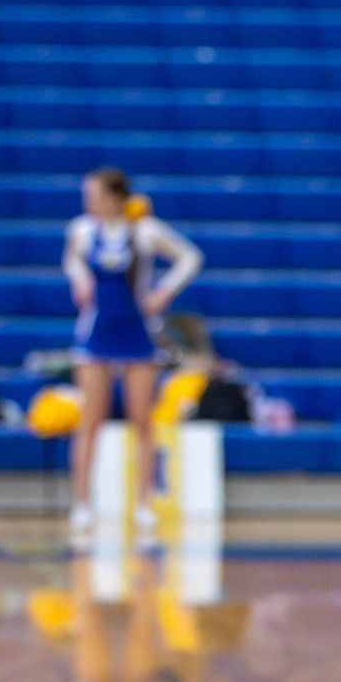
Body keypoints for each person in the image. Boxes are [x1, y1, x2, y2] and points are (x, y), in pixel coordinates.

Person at [62, 166, 203, 543]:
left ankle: (143, 503)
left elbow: (190, 257)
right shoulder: (82, 230)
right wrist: (79, 280)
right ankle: (82, 503)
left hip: (137, 332)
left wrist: (163, 292)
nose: (89, 202)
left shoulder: (144, 231)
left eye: (95, 195)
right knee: (90, 419)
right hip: (95, 332)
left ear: (115, 197)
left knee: (143, 420)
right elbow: (72, 260)